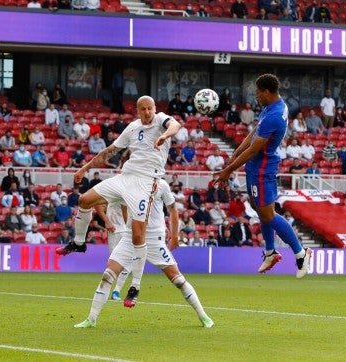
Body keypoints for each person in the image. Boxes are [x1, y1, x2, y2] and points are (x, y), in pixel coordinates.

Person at [57, 95, 182, 300]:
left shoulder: (161, 121)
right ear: (137, 111)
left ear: (154, 108)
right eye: (143, 109)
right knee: (84, 200)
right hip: (125, 178)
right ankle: (79, 242)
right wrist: (85, 168)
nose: (147, 112)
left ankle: (135, 286)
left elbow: (175, 125)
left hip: (145, 184)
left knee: (137, 235)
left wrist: (164, 136)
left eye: (150, 108)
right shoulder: (132, 128)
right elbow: (109, 151)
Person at [74, 178, 213, 328]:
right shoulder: (129, 182)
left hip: (154, 239)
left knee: (177, 279)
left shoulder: (162, 185)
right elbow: (120, 206)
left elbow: (172, 209)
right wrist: (131, 228)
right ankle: (91, 319)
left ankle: (204, 316)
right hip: (129, 237)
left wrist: (175, 235)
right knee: (108, 275)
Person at [213, 74, 312, 278]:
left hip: (263, 168)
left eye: (258, 92)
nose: (256, 96)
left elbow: (254, 149)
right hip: (255, 165)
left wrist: (228, 170)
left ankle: (301, 253)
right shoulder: (273, 106)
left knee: (267, 214)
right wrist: (235, 154)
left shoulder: (275, 115)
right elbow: (254, 134)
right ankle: (270, 252)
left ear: (266, 92)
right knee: (258, 207)